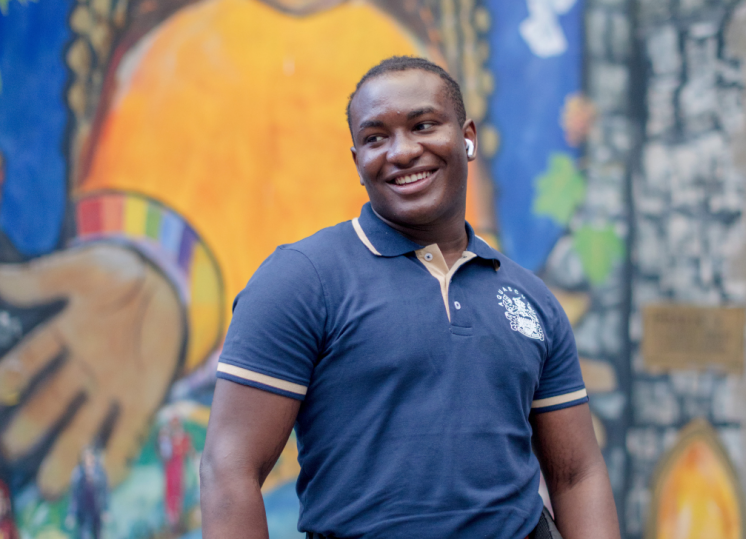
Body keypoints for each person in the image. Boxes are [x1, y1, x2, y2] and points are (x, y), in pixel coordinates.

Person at [200, 56, 620, 539]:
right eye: (376, 137)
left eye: (423, 125)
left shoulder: (531, 298)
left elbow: (576, 474)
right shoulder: (301, 280)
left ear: (468, 138)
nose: (401, 151)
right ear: (357, 161)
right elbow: (230, 470)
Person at [66, 446, 109, 539]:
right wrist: (72, 514)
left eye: (91, 458)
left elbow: (104, 492)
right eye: (86, 458)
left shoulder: (100, 473)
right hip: (83, 513)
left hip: (96, 511)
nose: (88, 461)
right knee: (83, 535)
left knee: (98, 535)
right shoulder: (78, 474)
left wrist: (106, 510)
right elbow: (74, 496)